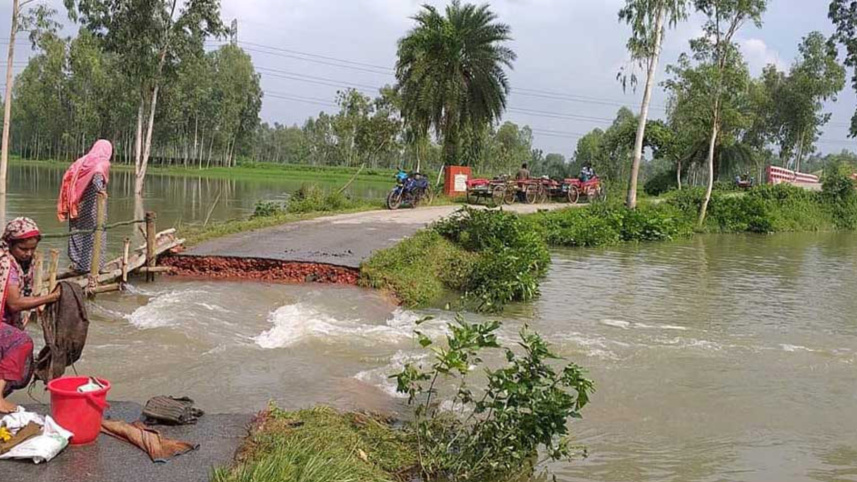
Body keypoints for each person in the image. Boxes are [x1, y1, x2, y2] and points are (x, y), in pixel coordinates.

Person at [0, 218, 60, 413]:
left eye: (32, 249)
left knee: (23, 369)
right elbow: (15, 303)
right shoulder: (6, 264)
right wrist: (51, 297)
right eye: (23, 249)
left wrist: (38, 302)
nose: (28, 254)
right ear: (10, 244)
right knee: (21, 342)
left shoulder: (22, 265)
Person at [57, 140, 112, 274]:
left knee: (77, 232)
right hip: (93, 207)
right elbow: (97, 177)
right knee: (97, 233)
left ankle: (78, 265)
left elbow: (68, 176)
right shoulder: (102, 162)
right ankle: (96, 267)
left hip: (77, 204)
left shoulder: (82, 161)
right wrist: (101, 191)